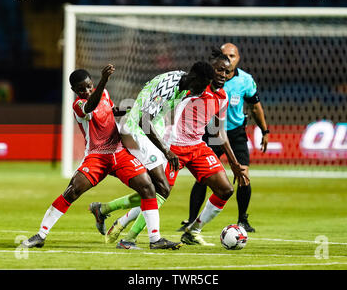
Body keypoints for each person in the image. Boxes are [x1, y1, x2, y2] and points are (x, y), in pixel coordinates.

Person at [95, 51, 249, 248]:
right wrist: (165, 147)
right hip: (171, 144)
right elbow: (152, 111)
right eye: (219, 70)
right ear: (210, 70)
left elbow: (219, 131)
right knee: (159, 191)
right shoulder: (188, 90)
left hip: (197, 146)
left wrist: (235, 164)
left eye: (227, 72)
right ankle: (127, 231)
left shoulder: (220, 96)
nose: (222, 74)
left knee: (225, 189)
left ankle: (193, 232)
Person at [21, 65, 181, 250]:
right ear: (74, 91)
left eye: (89, 86)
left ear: (92, 83)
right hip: (97, 156)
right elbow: (91, 106)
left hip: (119, 153)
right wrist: (104, 79)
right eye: (81, 89)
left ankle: (155, 240)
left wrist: (133, 109)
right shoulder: (79, 105)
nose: (87, 91)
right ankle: (41, 234)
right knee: (73, 190)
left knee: (147, 188)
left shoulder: (103, 94)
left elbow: (111, 111)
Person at [179, 43, 269, 233]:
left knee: (243, 175)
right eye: (224, 56)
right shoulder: (206, 82)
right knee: (203, 177)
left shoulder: (245, 81)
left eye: (232, 56)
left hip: (234, 132)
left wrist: (265, 130)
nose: (227, 62)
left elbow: (255, 105)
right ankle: (191, 220)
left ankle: (242, 219)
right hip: (209, 133)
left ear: (238, 58)